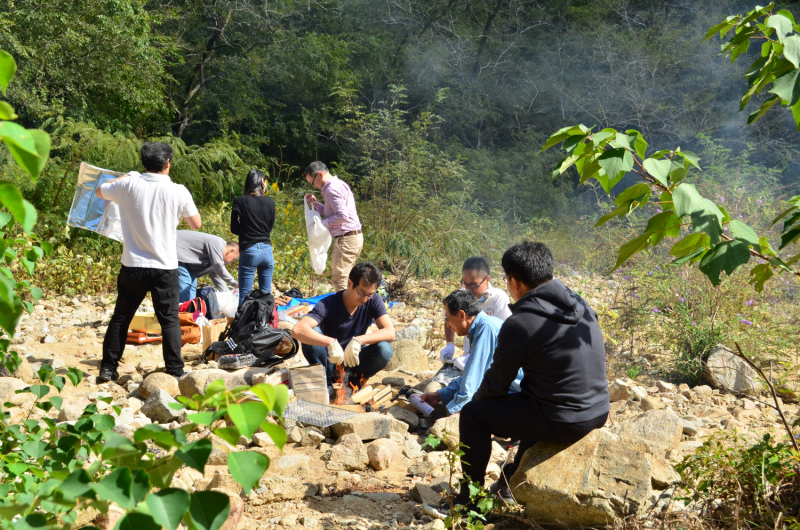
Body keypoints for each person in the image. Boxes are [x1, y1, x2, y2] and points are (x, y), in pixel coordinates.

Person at [429, 242, 610, 515]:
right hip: (598, 410)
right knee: (532, 401)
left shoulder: (521, 322)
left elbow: (495, 386)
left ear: (513, 282)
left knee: (474, 414)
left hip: (563, 417)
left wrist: (469, 403)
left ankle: (469, 502)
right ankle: (508, 484)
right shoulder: (581, 305)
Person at [96, 141, 201, 383]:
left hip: (133, 264)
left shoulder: (129, 183)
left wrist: (126, 175)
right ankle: (174, 370)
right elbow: (196, 223)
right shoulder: (179, 190)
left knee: (121, 317)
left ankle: (107, 369)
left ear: (143, 163)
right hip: (165, 266)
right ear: (167, 163)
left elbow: (100, 190)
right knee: (169, 319)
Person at [292, 261, 395, 388]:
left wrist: (359, 340)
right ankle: (325, 383)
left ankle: (354, 384)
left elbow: (390, 332)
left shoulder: (373, 300)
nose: (365, 298)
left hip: (352, 361)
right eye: (362, 293)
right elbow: (298, 330)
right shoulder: (328, 304)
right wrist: (330, 342)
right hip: (330, 360)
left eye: (369, 294)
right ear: (349, 283)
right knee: (314, 330)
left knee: (384, 349)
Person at [419, 289, 521, 417]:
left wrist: (456, 414)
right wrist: (439, 395)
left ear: (462, 315)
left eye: (448, 318)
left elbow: (473, 380)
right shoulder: (481, 327)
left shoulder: (486, 328)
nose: (448, 325)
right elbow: (472, 374)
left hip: (516, 392)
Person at [438, 257, 512, 365]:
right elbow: (449, 317)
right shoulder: (462, 295)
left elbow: (506, 335)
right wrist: (450, 344)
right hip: (467, 357)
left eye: (473, 284)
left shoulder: (498, 298)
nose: (468, 289)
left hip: (490, 361)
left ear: (487, 279)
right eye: (465, 283)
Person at [303, 161, 363, 291]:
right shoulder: (338, 185)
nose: (314, 186)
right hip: (352, 237)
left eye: (312, 182)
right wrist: (316, 204)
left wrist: (321, 225)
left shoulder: (331, 189)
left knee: (340, 280)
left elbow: (342, 216)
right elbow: (332, 212)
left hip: (346, 238)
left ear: (319, 175)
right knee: (349, 279)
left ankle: (344, 310)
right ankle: (353, 309)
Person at [231, 169, 276, 305]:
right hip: (267, 251)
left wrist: (246, 230)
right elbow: (269, 227)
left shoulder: (239, 201)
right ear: (262, 182)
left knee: (244, 296)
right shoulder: (270, 202)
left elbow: (234, 228)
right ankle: (266, 324)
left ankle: (242, 325)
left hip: (249, 250)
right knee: (266, 295)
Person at [176, 231, 239, 302]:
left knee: (192, 282)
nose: (230, 262)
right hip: (174, 248)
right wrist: (235, 283)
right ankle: (184, 311)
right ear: (231, 250)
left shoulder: (215, 259)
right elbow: (218, 266)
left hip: (182, 258)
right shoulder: (218, 243)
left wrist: (229, 298)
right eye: (233, 258)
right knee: (185, 280)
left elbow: (217, 278)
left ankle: (191, 309)